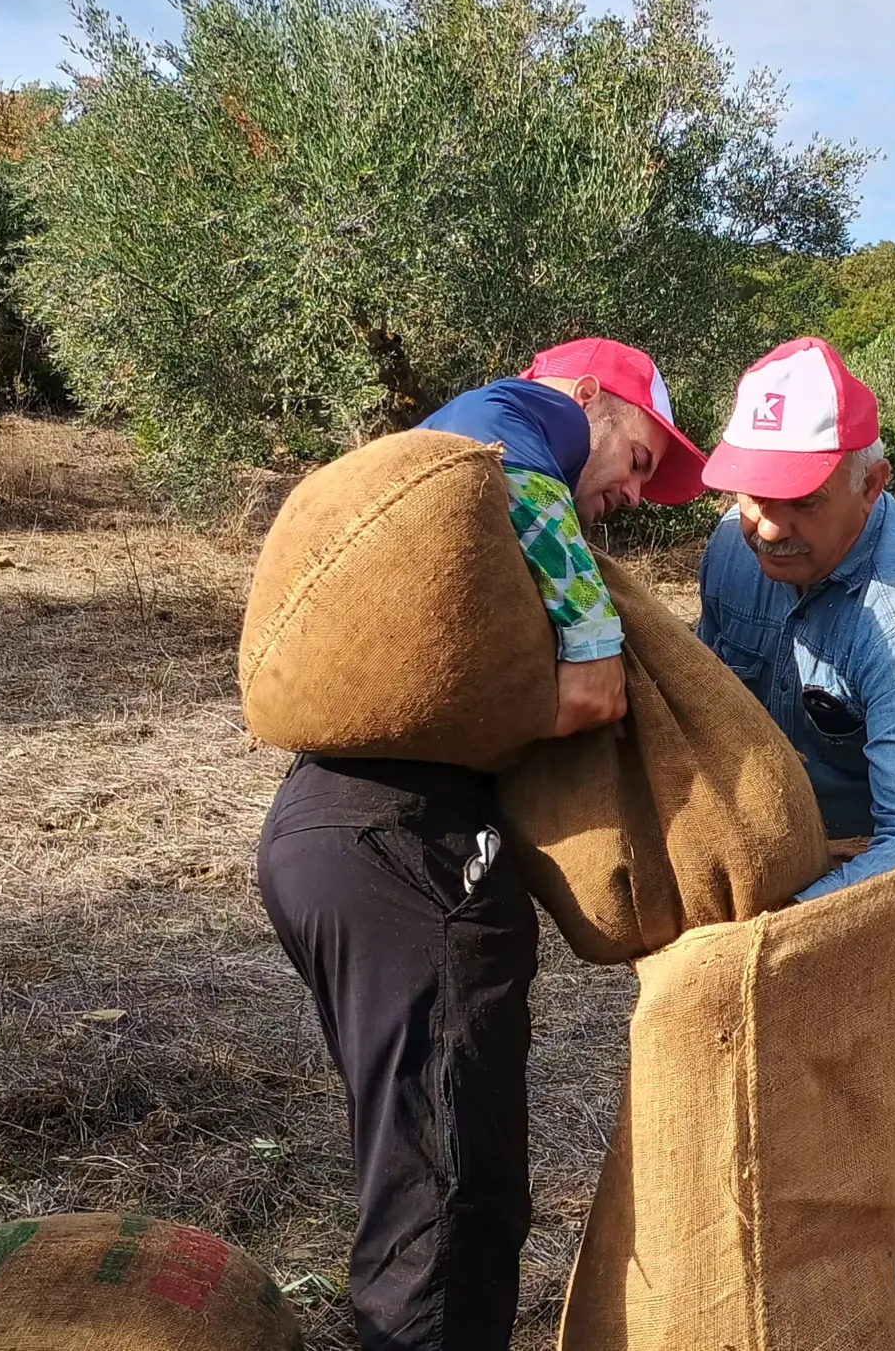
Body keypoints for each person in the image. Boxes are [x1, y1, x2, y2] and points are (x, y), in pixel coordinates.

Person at [254, 338, 706, 1351]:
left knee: (417, 1163)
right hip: (409, 853)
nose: (637, 494)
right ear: (587, 395)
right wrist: (591, 653)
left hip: (323, 831)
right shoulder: (514, 429)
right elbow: (526, 493)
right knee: (452, 1196)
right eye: (637, 459)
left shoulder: (437, 469)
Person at [693, 336, 895, 1351]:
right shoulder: (731, 549)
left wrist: (760, 937)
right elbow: (711, 713)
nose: (766, 523)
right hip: (807, 882)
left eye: (799, 499)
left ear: (872, 482)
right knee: (790, 1169)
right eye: (750, 492)